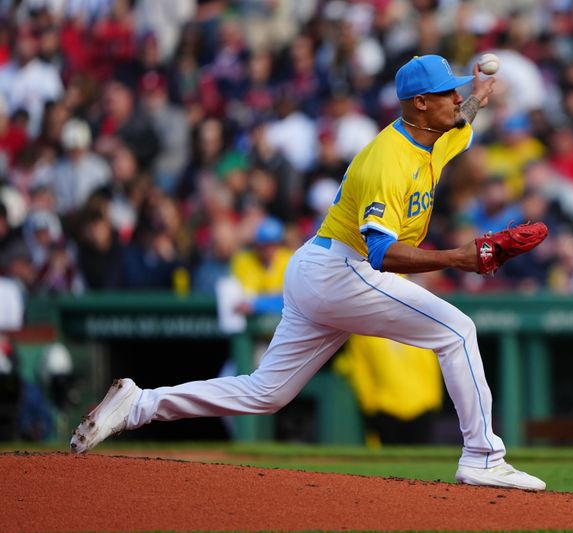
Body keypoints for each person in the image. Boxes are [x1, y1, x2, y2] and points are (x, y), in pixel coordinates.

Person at [69, 55, 547, 491]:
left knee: (266, 393)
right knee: (457, 330)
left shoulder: (433, 137)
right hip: (344, 268)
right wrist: (458, 257)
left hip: (317, 267)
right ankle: (483, 456)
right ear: (420, 103)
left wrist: (478, 96)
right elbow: (380, 251)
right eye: (447, 93)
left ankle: (138, 405)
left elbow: (461, 119)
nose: (454, 100)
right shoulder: (388, 159)